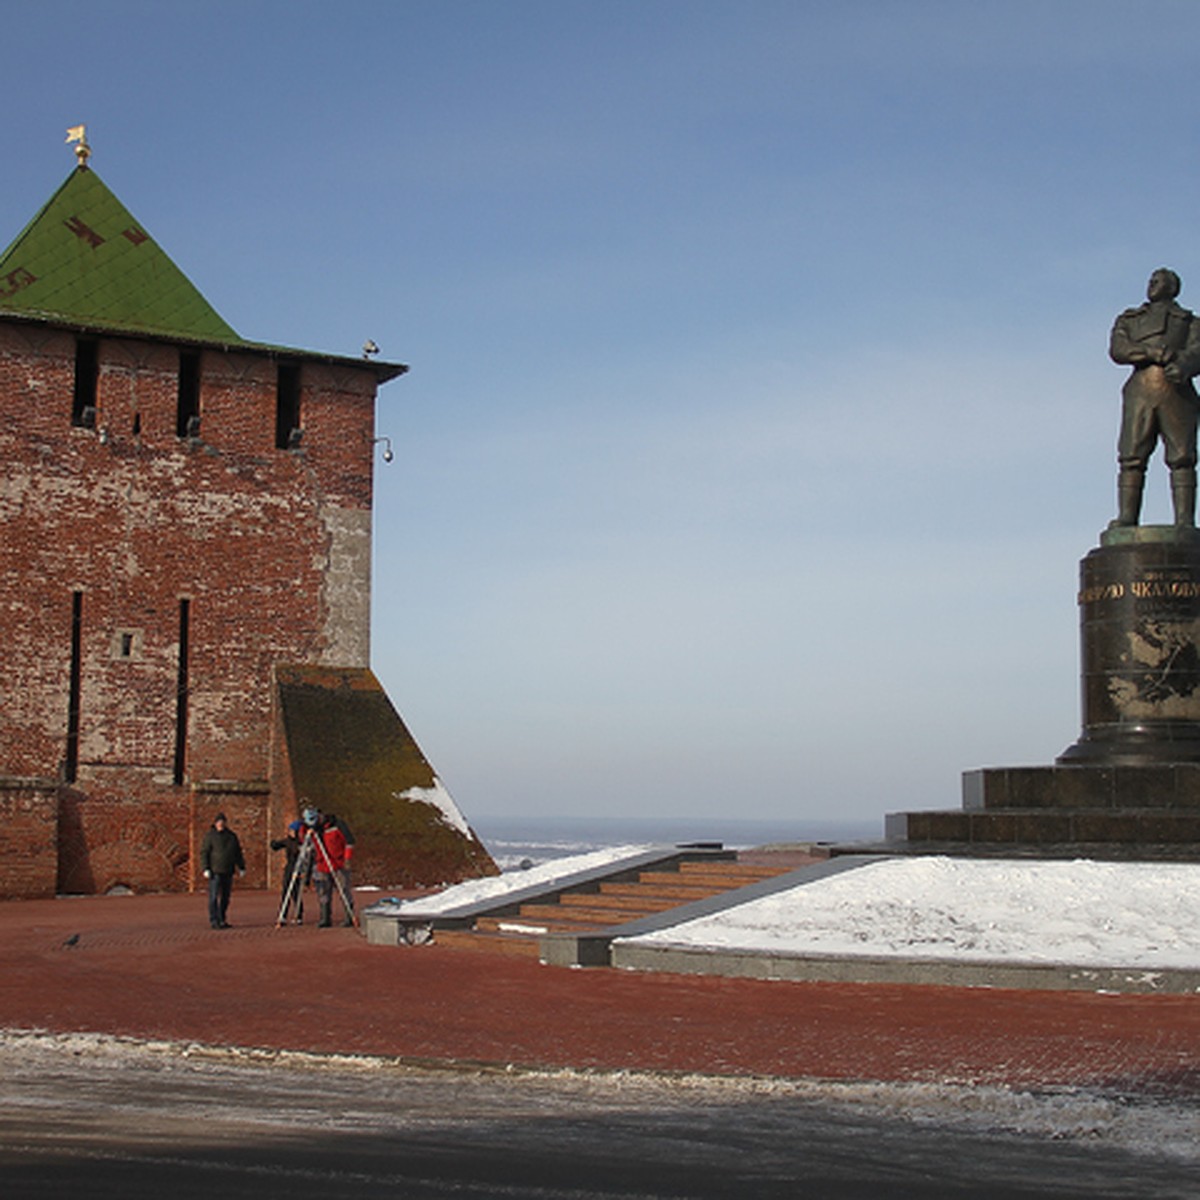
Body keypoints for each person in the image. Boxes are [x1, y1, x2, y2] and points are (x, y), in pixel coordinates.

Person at [1110, 268, 1200, 528]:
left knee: (1183, 457)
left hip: (1176, 391)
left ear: (1172, 287)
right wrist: (1149, 351)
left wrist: (1183, 365)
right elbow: (1119, 349)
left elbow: (1198, 350)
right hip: (1141, 390)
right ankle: (1128, 517)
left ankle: (1184, 521)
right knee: (1131, 456)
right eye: (1150, 280)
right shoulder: (1130, 319)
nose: (1151, 285)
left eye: (1158, 281)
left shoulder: (1190, 322)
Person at [200, 812, 245, 930]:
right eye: (219, 822)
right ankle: (214, 920)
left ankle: (222, 918)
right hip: (215, 870)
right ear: (215, 823)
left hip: (228, 870)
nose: (221, 824)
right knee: (214, 896)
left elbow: (237, 853)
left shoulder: (231, 836)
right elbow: (204, 852)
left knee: (225, 897)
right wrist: (205, 868)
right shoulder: (210, 836)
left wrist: (241, 866)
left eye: (222, 822)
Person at [312, 811, 355, 928]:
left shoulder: (337, 825)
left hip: (338, 863)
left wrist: (347, 859)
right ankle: (325, 918)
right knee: (323, 892)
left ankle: (349, 916)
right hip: (322, 865)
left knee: (344, 890)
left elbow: (349, 842)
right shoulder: (314, 830)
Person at [270, 817, 305, 924]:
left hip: (298, 868)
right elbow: (277, 845)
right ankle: (283, 915)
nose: (291, 833)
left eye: (293, 831)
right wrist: (274, 843)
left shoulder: (301, 843)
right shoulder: (288, 841)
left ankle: (298, 915)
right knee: (286, 892)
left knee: (296, 893)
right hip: (289, 868)